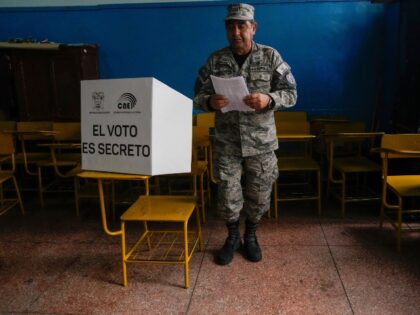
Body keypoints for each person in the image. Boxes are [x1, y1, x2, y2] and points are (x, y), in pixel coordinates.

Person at [193, 3, 297, 265]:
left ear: (253, 27)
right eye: (231, 26)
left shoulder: (271, 57)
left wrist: (268, 98)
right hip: (227, 141)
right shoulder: (216, 60)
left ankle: (250, 236)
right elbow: (198, 94)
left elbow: (292, 93)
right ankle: (231, 237)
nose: (236, 32)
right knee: (227, 195)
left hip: (261, 142)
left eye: (242, 25)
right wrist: (209, 102)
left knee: (259, 194)